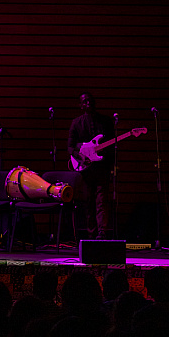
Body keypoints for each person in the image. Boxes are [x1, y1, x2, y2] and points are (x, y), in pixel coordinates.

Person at [68, 91, 115, 238]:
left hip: (102, 168)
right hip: (86, 169)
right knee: (89, 201)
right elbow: (70, 147)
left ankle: (102, 233)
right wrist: (81, 157)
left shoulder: (106, 121)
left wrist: (109, 163)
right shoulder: (76, 123)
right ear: (80, 105)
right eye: (85, 101)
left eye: (90, 100)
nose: (88, 103)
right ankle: (91, 233)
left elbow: (112, 145)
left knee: (102, 201)